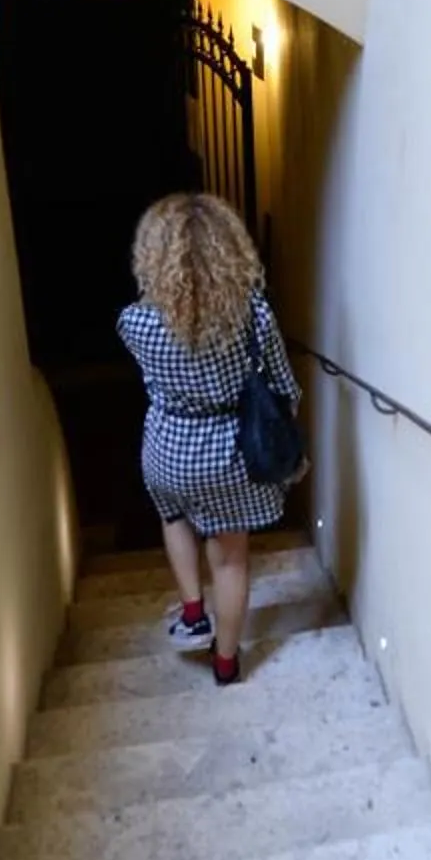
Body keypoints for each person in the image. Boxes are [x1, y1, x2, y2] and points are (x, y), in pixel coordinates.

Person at [116, 191, 302, 686]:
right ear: (229, 249)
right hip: (230, 453)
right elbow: (285, 389)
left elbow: (155, 382)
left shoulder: (134, 323)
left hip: (167, 448)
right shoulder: (253, 315)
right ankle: (225, 663)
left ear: (154, 255)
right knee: (231, 559)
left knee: (173, 515)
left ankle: (193, 612)